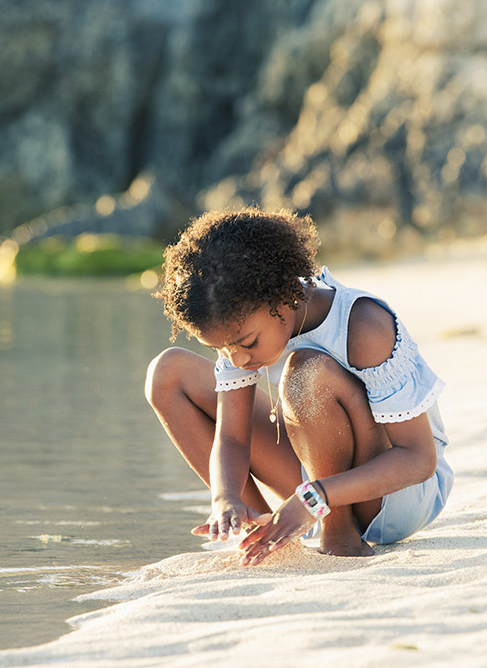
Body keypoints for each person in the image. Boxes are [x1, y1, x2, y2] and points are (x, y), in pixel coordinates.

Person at [145, 208, 452, 566]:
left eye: (247, 342)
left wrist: (315, 497)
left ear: (284, 294)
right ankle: (265, 533)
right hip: (313, 487)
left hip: (396, 494)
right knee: (168, 372)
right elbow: (231, 439)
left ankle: (339, 534)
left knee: (305, 372)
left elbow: (419, 460)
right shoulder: (241, 334)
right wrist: (225, 497)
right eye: (221, 349)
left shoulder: (364, 324)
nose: (238, 359)